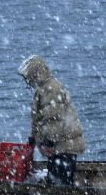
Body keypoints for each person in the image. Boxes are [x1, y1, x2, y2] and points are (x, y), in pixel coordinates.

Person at [18, 55, 85, 185]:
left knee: (60, 184)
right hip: (60, 145)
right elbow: (41, 119)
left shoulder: (51, 89)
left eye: (27, 77)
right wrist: (35, 137)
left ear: (34, 74)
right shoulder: (44, 89)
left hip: (64, 146)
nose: (26, 80)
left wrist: (49, 142)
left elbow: (54, 119)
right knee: (57, 180)